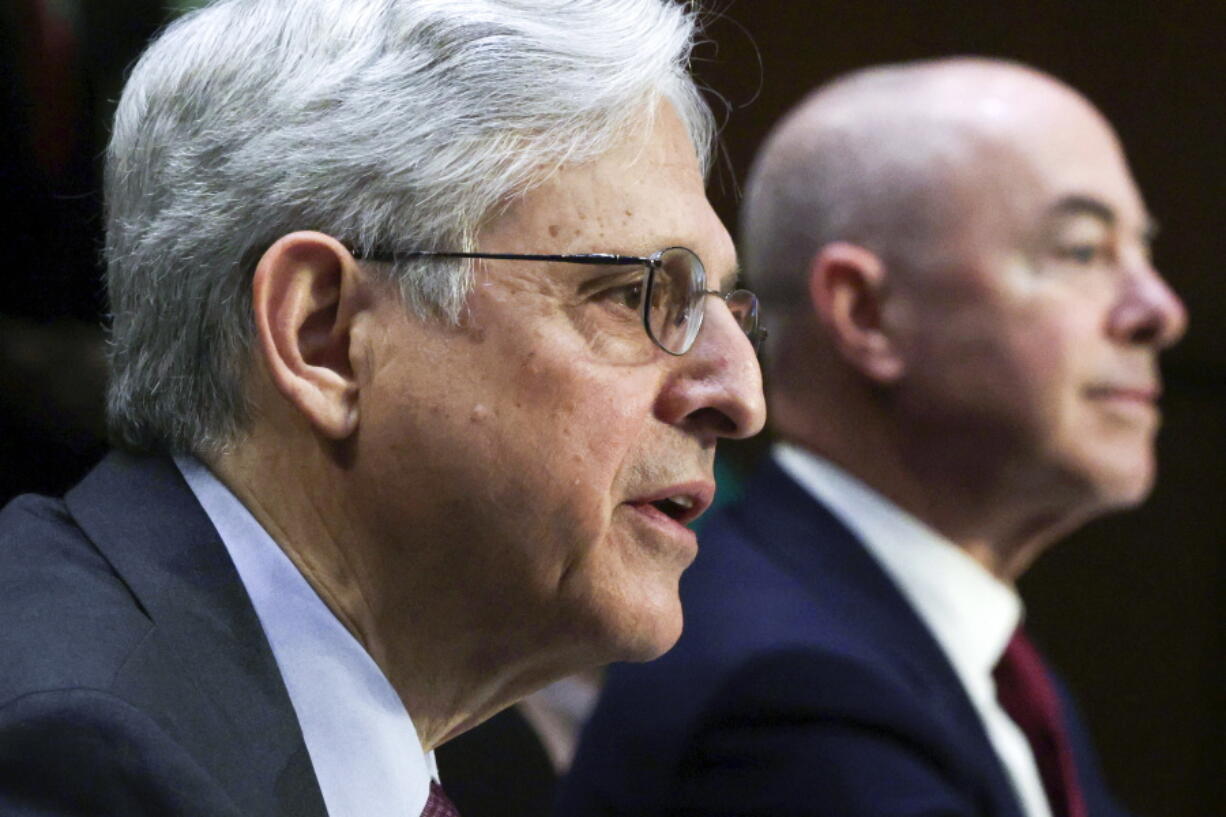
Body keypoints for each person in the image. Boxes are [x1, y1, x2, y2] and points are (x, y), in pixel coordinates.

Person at [0, 0, 767, 815]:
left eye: (724, 308)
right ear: (322, 335)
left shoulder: (491, 759)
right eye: (635, 296)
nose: (740, 396)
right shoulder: (76, 756)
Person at [558, 57, 1186, 817]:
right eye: (1083, 251)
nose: (1158, 309)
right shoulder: (792, 689)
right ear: (866, 315)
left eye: (1142, 251)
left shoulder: (959, 650)